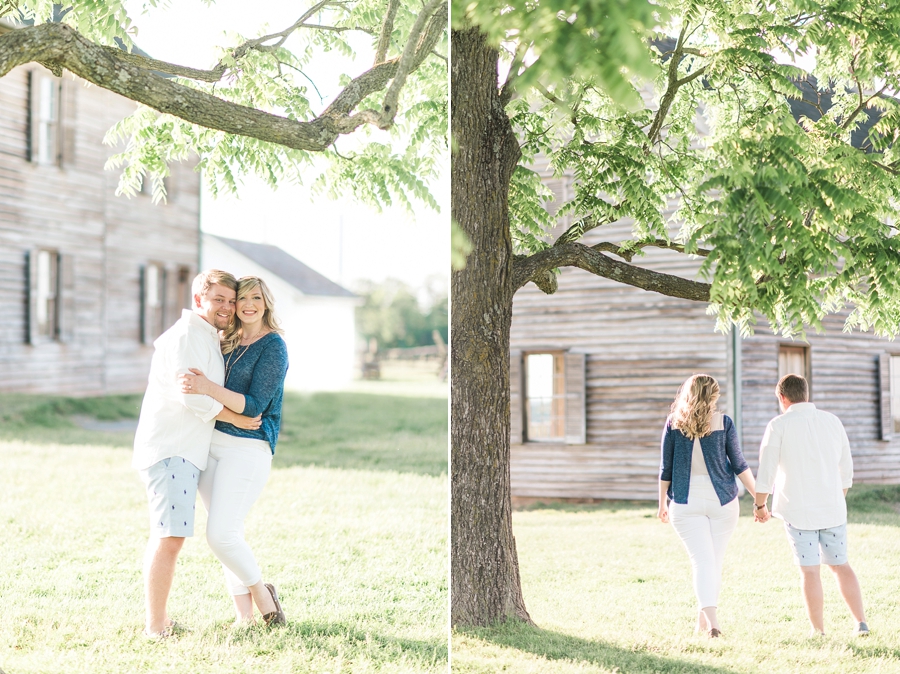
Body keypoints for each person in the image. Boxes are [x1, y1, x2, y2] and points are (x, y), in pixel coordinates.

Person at [132, 269, 258, 637]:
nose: (228, 307)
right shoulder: (188, 335)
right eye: (219, 299)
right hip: (172, 448)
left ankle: (164, 622)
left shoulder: (207, 335)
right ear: (199, 299)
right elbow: (190, 395)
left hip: (188, 451)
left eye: (232, 301)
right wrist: (238, 416)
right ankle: (156, 627)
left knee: (183, 534)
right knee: (169, 538)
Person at [179, 276, 289, 626]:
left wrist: (206, 387)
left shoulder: (273, 346)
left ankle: (263, 596)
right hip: (211, 444)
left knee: (220, 535)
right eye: (242, 298)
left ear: (266, 302)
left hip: (248, 447)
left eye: (256, 297)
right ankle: (245, 619)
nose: (247, 304)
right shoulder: (227, 340)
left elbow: (254, 406)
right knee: (229, 534)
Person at [754, 374, 868, 637]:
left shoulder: (778, 425)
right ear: (805, 393)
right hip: (833, 509)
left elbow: (766, 471)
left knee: (810, 572)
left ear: (782, 398)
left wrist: (760, 505)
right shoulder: (832, 422)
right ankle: (861, 622)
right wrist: (834, 498)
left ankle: (819, 631)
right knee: (841, 565)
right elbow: (846, 471)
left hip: (798, 512)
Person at [658, 374, 757, 638]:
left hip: (684, 501)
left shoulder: (673, 423)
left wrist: (661, 503)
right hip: (722, 500)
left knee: (704, 562)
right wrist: (759, 499)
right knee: (712, 562)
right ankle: (712, 624)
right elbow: (739, 465)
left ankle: (704, 623)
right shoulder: (723, 423)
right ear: (712, 395)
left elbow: (665, 468)